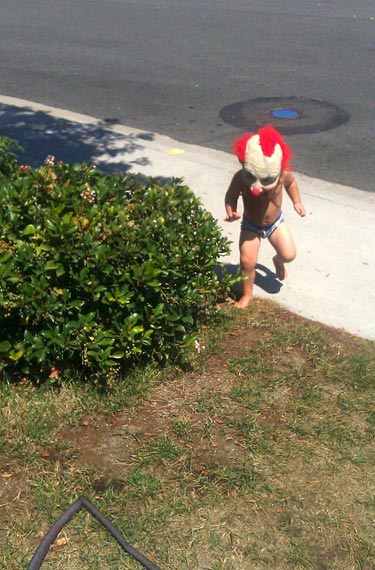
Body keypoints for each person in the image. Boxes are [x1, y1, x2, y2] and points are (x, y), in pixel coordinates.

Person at [224, 125, 306, 309]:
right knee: (247, 261)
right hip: (251, 225)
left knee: (289, 254)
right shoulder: (240, 178)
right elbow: (230, 195)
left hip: (275, 223)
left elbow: (291, 184)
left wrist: (297, 202)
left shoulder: (283, 175)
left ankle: (278, 260)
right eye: (251, 176)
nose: (256, 188)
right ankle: (247, 294)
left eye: (266, 180)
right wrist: (231, 209)